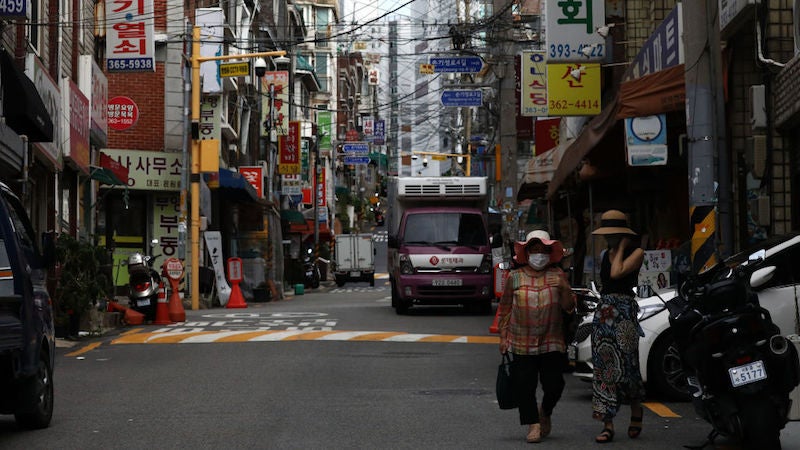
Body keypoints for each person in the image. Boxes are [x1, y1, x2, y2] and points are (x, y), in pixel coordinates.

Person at [497, 230, 576, 443]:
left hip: (552, 340)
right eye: (534, 250)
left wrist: (566, 290)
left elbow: (569, 308)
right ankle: (533, 424)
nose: (538, 254)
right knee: (525, 385)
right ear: (527, 252)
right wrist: (503, 338)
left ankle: (545, 412)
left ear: (549, 253)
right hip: (521, 341)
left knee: (554, 384)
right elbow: (504, 310)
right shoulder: (514, 277)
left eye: (543, 250)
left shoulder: (558, 276)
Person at [590, 210, 646, 443]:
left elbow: (617, 272)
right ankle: (608, 423)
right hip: (604, 313)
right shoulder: (604, 253)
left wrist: (621, 248)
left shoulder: (637, 252)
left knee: (629, 365)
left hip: (625, 313)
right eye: (607, 234)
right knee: (604, 367)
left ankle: (636, 409)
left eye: (614, 234)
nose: (609, 238)